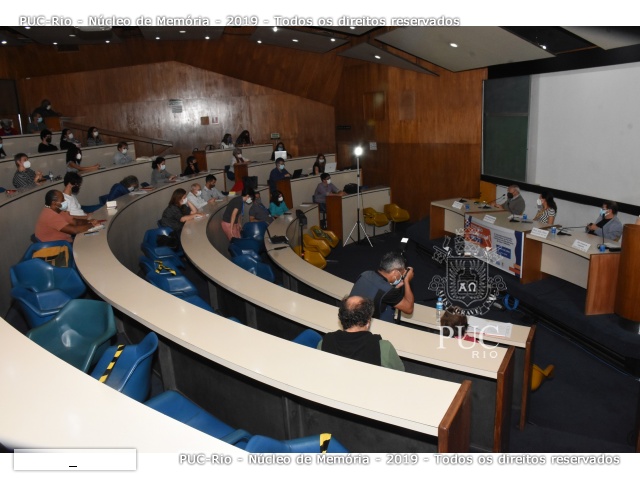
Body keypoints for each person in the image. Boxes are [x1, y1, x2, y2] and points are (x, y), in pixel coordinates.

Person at [317, 296, 405, 372]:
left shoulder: (325, 342)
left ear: (341, 319)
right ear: (368, 322)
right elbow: (400, 372)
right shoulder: (384, 348)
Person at [349, 251, 415, 323]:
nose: (401, 276)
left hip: (354, 315)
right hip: (376, 324)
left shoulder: (365, 274)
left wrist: (395, 288)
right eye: (401, 273)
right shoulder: (388, 291)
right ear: (395, 272)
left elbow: (375, 291)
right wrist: (406, 281)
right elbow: (409, 309)